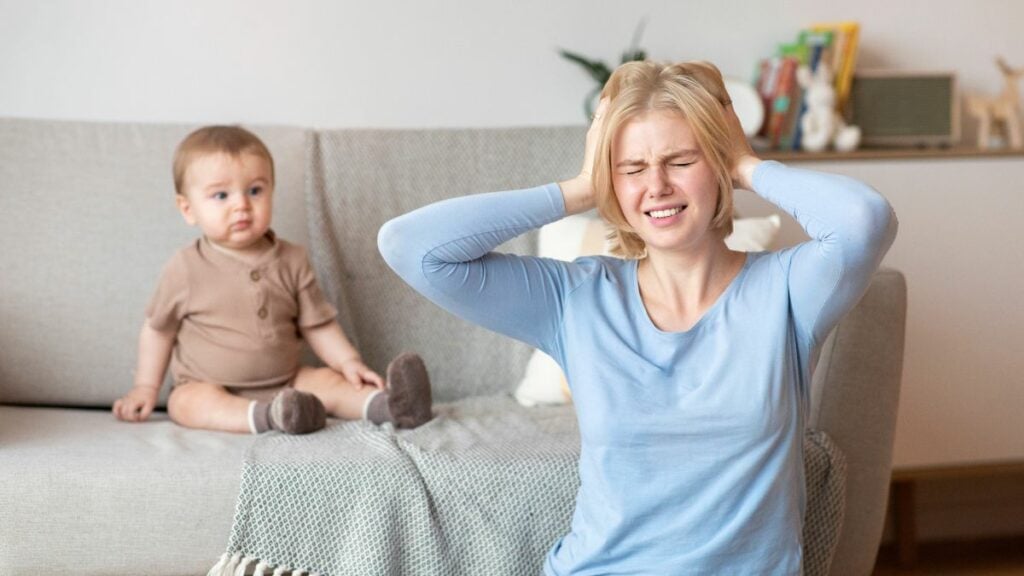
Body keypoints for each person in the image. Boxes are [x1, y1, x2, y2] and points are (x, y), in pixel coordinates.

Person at [378, 60, 897, 574]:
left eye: (681, 161)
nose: (657, 186)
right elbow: (410, 247)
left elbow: (864, 220)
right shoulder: (576, 298)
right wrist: (584, 185)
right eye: (632, 168)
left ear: (716, 165)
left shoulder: (787, 292)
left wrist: (743, 162)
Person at [113, 125, 433, 435]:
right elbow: (159, 330)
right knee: (185, 403)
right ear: (188, 209)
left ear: (271, 192)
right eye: (221, 195)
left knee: (329, 382)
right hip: (209, 385)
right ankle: (273, 417)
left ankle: (394, 406)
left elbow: (317, 324)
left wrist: (349, 363)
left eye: (255, 190)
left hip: (289, 382)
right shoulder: (184, 268)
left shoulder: (292, 259)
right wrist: (145, 387)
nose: (241, 205)